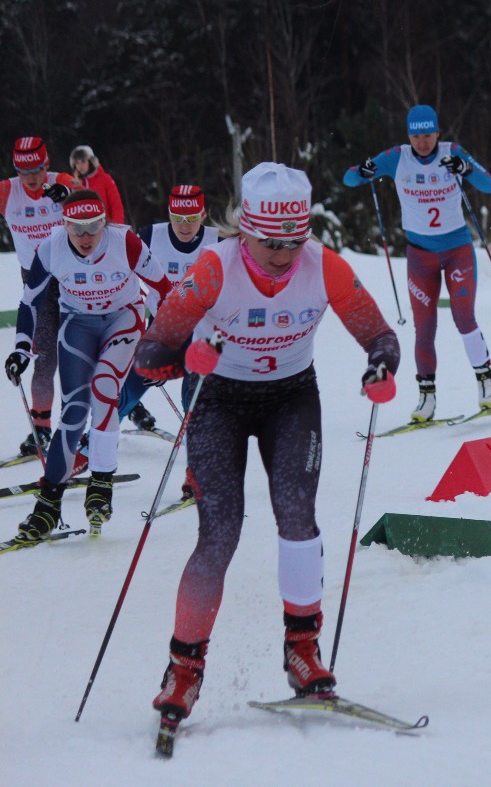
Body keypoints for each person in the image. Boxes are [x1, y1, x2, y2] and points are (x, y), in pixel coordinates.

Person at [132, 162, 400, 726]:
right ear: (243, 231)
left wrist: (380, 365)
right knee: (220, 532)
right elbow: (150, 354)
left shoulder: (323, 266)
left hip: (291, 399)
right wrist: (188, 358)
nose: (284, 255)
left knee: (298, 519)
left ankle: (302, 651)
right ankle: (183, 671)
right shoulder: (213, 270)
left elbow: (378, 333)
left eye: (295, 241)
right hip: (219, 401)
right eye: (271, 243)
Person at [5, 190, 173, 541]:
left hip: (122, 320)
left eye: (93, 227)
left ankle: (101, 480)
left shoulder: (124, 241)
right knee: (74, 411)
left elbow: (162, 288)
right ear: (63, 224)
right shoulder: (51, 247)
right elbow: (29, 302)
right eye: (76, 228)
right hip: (77, 323)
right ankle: (48, 505)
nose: (85, 237)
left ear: (105, 224)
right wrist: (22, 346)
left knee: (105, 387)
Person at [342, 103, 491, 424]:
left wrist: (465, 169)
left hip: (457, 250)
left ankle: (486, 381)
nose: (422, 142)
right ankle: (426, 397)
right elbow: (350, 178)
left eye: (428, 134)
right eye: (416, 136)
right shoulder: (396, 157)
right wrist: (365, 171)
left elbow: (489, 184)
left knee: (463, 316)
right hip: (419, 256)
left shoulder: (451, 151)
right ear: (408, 136)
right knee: (424, 328)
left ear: (438, 133)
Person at [116, 185, 220, 499]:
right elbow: (118, 267)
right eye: (178, 217)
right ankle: (90, 447)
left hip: (203, 337)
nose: (185, 225)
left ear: (203, 214)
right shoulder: (150, 236)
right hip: (161, 334)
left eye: (192, 217)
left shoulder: (220, 241)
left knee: (195, 401)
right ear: (169, 214)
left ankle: (197, 475)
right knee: (127, 389)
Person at [0, 137, 82, 458]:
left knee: (76, 352)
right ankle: (42, 428)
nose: (32, 177)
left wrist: (69, 196)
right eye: (24, 170)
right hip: (35, 281)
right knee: (45, 355)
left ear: (46, 165)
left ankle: (78, 428)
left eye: (37, 168)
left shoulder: (58, 181)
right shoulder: (8, 191)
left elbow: (88, 196)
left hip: (70, 277)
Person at [69, 145, 126, 224]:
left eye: (83, 161)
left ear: (91, 161)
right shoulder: (73, 183)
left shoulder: (105, 179)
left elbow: (116, 206)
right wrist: (77, 187)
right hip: (84, 232)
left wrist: (117, 229)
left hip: (106, 228)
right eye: (77, 163)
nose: (80, 166)